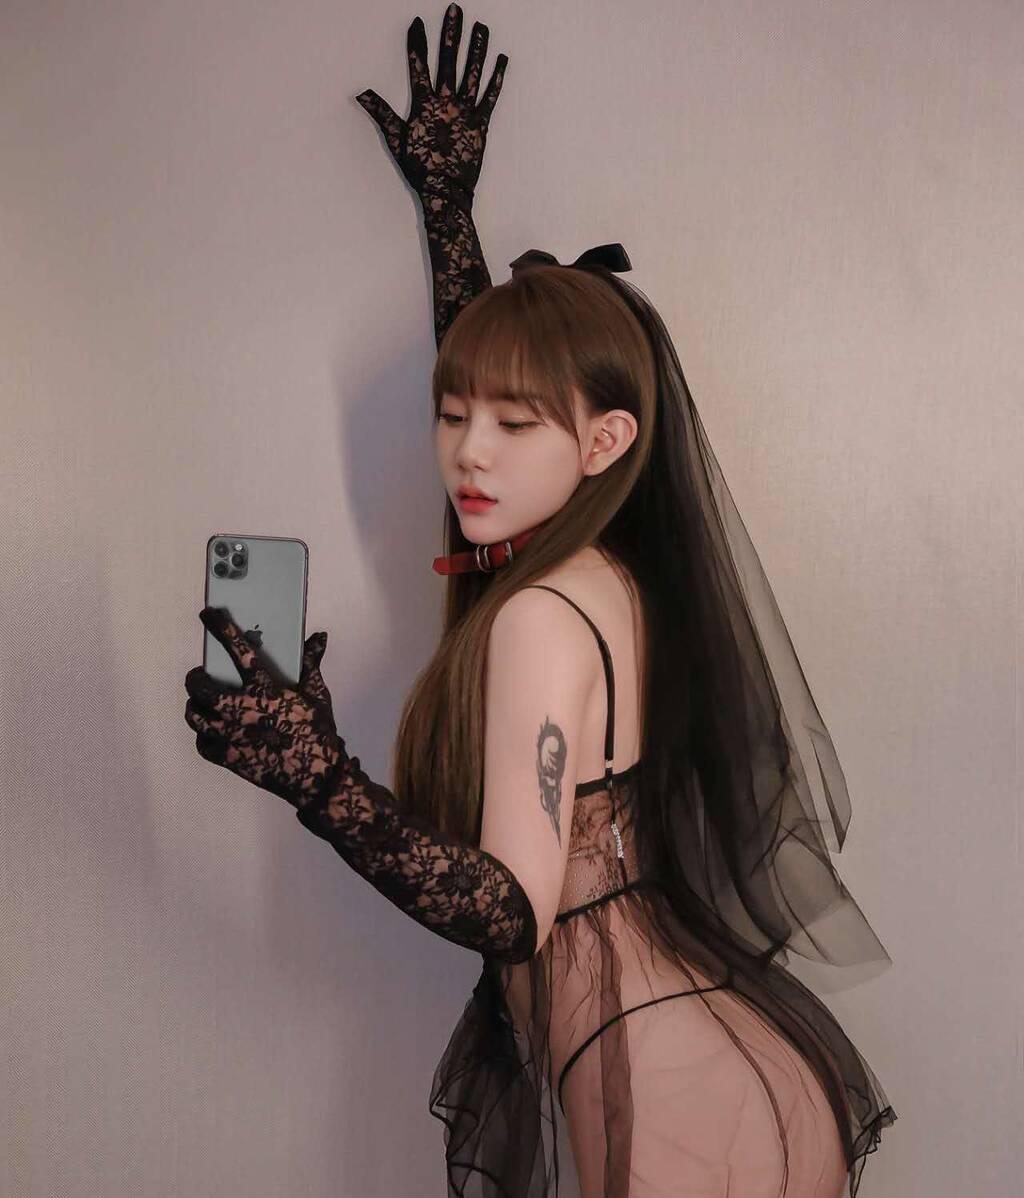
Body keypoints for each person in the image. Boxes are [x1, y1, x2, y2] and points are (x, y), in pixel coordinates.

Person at [185, 5, 897, 1194]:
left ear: (605, 442)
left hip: (666, 1088)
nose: (469, 452)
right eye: (451, 413)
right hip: (710, 1059)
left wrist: (317, 779)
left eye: (512, 423)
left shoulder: (533, 616)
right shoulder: (597, 565)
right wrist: (448, 218)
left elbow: (509, 909)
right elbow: (514, 452)